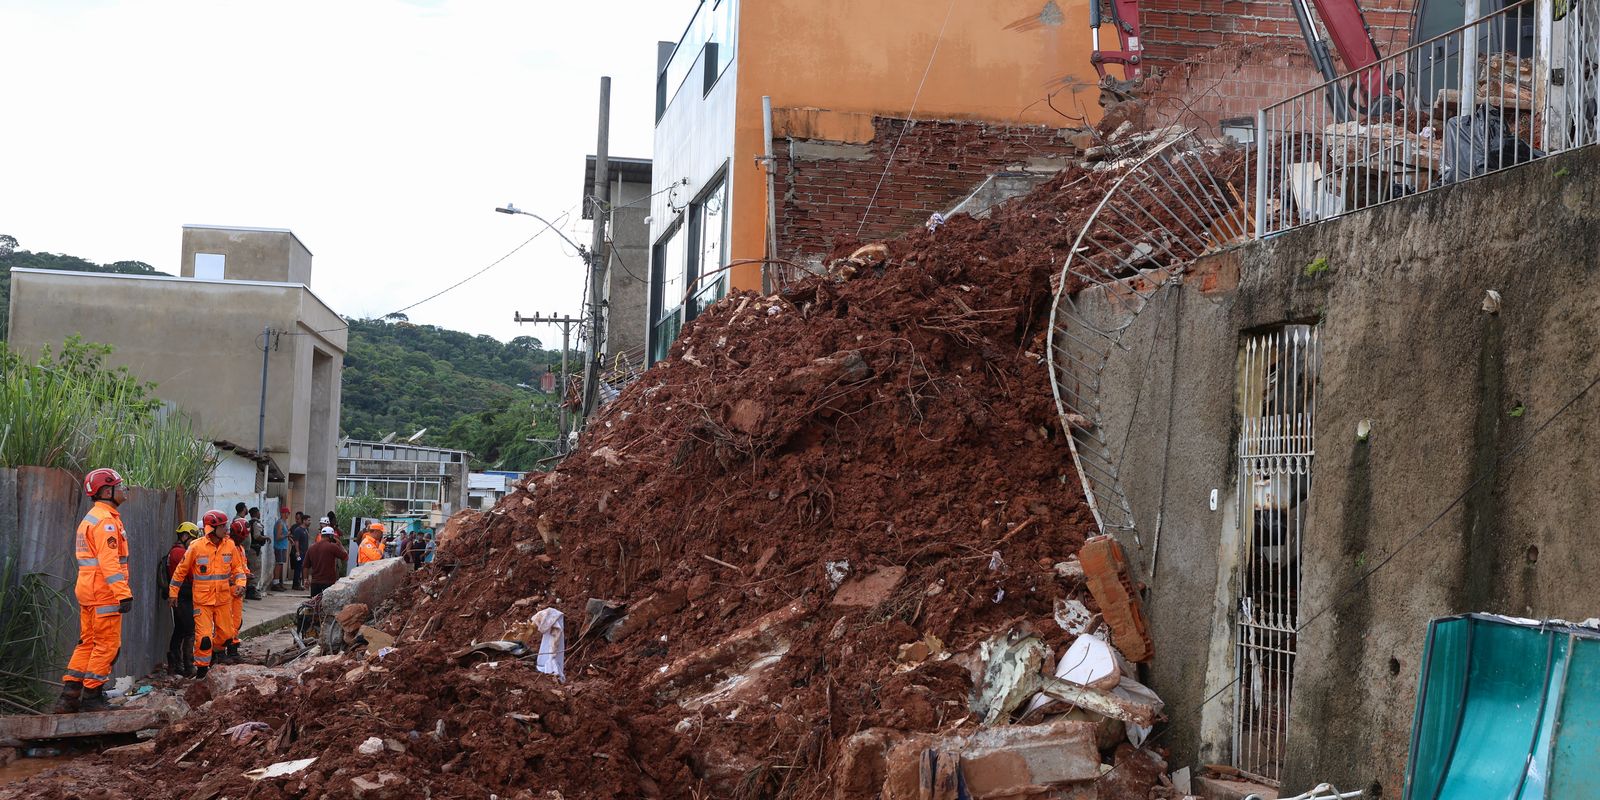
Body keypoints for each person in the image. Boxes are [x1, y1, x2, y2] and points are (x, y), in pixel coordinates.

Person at [55, 468, 132, 713]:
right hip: (104, 593)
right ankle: (91, 697)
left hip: (88, 591)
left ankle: (69, 695)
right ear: (107, 491)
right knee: (107, 645)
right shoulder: (107, 522)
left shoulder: (92, 517)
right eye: (119, 486)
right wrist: (123, 593)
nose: (123, 490)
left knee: (87, 642)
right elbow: (109, 562)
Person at [168, 510, 247, 679]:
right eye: (222, 526)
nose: (226, 529)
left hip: (223, 600)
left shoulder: (230, 546)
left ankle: (215, 653)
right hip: (202, 601)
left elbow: (238, 570)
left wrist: (241, 584)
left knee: (227, 636)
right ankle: (202, 670)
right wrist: (173, 593)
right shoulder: (196, 546)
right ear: (212, 528)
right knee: (204, 638)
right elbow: (180, 571)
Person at [164, 522, 201, 676]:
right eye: (192, 538)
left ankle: (175, 665)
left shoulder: (175, 551)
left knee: (179, 630)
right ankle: (188, 666)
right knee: (190, 631)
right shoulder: (179, 553)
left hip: (180, 594)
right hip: (183, 595)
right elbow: (191, 574)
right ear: (185, 536)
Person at [221, 518, 252, 662]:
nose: (243, 539)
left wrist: (247, 575)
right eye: (242, 536)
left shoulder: (240, 548)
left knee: (236, 622)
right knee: (224, 624)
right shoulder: (226, 546)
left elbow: (241, 567)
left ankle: (232, 650)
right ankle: (220, 652)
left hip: (238, 591)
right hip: (226, 591)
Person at [304, 526, 348, 597]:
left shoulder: (311, 547)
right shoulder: (332, 547)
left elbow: (305, 566)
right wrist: (340, 545)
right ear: (331, 536)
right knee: (327, 605)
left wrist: (305, 579)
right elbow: (345, 557)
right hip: (328, 582)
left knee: (315, 604)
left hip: (315, 582)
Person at [247, 506, 269, 599]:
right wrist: (266, 537)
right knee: (255, 569)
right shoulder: (256, 523)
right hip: (255, 550)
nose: (260, 514)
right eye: (259, 512)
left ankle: (250, 589)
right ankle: (251, 590)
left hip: (250, 549)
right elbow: (257, 536)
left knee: (250, 569)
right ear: (256, 513)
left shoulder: (248, 523)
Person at [270, 507, 291, 591]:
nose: (288, 515)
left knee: (281, 564)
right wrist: (287, 535)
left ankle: (279, 582)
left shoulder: (284, 523)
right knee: (278, 564)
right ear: (283, 513)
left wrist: (289, 538)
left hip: (283, 546)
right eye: (287, 513)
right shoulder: (280, 523)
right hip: (279, 547)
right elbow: (278, 537)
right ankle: (275, 583)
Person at [289, 512, 310, 591]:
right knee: (298, 568)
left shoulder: (305, 529)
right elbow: (296, 541)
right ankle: (295, 584)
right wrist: (297, 552)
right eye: (308, 520)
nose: (309, 522)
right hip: (299, 552)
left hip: (304, 552)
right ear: (304, 521)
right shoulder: (298, 529)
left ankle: (299, 583)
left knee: (302, 568)